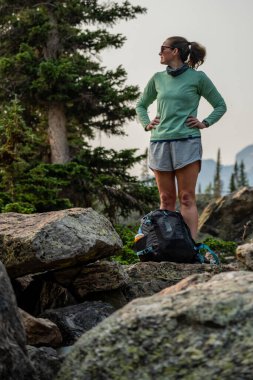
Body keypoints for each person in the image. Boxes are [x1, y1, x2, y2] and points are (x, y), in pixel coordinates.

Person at [136, 36, 227, 240]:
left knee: (186, 198)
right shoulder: (157, 79)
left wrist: (205, 122)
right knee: (166, 199)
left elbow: (220, 105)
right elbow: (141, 105)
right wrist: (146, 123)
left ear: (175, 51)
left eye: (163, 48)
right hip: (159, 142)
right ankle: (167, 246)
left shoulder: (198, 78)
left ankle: (190, 248)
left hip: (187, 141)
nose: (159, 53)